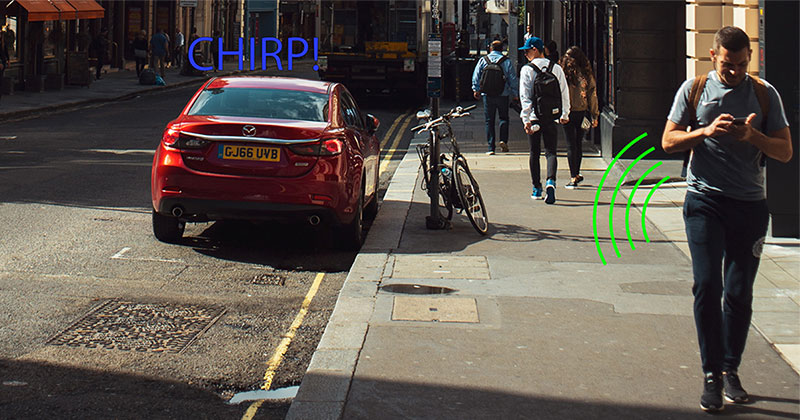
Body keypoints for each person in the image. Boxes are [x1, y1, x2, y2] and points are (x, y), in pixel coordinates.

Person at [661, 26, 792, 413]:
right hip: (704, 201)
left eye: (740, 65)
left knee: (738, 292)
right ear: (712, 55)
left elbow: (785, 152)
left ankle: (730, 368)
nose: (734, 71)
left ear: (748, 58)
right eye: (727, 64)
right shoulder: (694, 89)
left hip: (750, 205)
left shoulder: (766, 95)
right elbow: (668, 141)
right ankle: (711, 374)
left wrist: (753, 136)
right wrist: (705, 131)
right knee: (706, 285)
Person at [518, 36, 570, 204]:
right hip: (552, 117)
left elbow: (525, 97)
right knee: (551, 152)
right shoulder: (556, 68)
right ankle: (551, 182)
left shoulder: (527, 70)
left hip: (534, 118)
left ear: (535, 49)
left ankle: (536, 188)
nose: (525, 54)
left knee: (534, 152)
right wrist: (564, 114)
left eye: (527, 51)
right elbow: (564, 92)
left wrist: (526, 118)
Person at [560, 46, 599, 189]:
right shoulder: (586, 74)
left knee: (570, 145)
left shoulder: (563, 73)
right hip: (582, 112)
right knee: (578, 143)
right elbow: (592, 94)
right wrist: (595, 115)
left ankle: (573, 176)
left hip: (567, 112)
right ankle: (576, 173)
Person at [472, 40, 519, 155]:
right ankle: (503, 140)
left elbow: (476, 75)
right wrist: (515, 94)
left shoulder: (484, 60)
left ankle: (490, 147)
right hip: (503, 94)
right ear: (502, 49)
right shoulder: (506, 61)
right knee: (503, 118)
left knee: (489, 120)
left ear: (491, 49)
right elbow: (512, 79)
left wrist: (476, 89)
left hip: (487, 95)